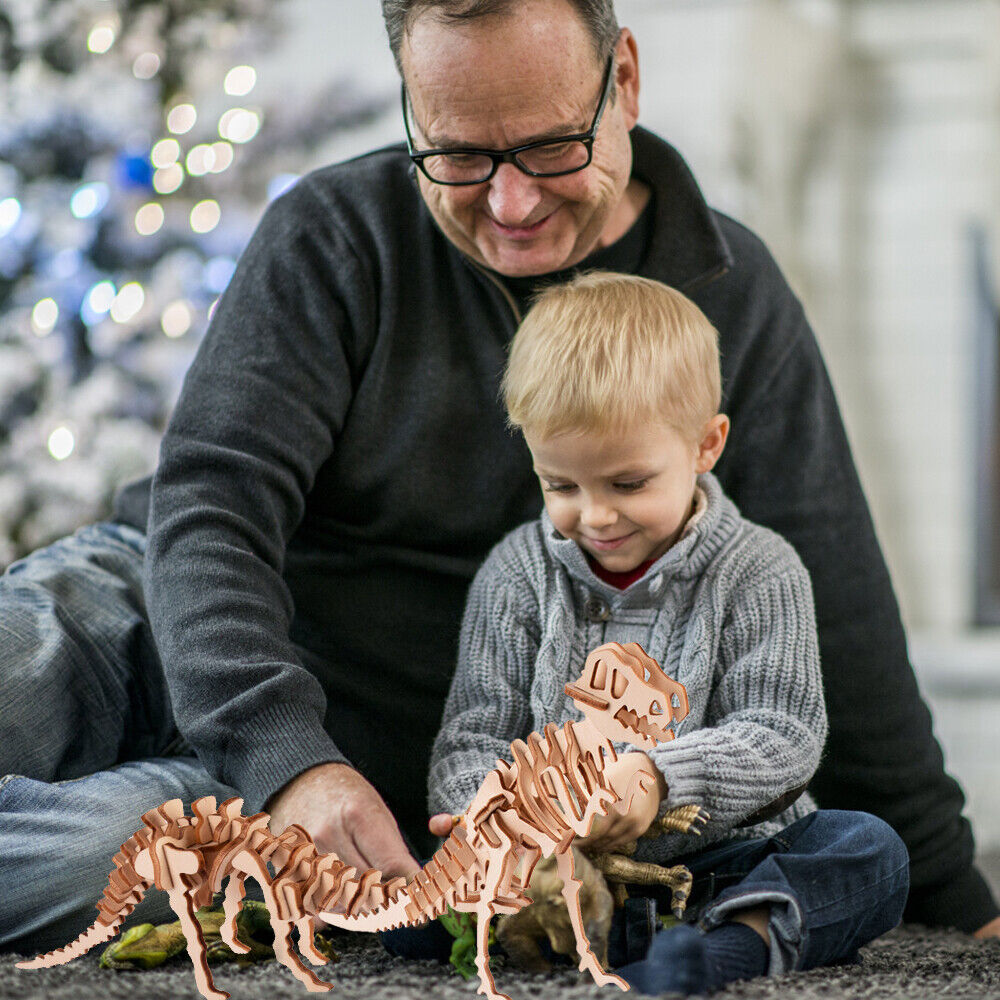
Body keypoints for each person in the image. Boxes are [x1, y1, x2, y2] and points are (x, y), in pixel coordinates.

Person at [0, 0, 996, 953]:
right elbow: (209, 512)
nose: (510, 205)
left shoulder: (732, 300)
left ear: (626, 83)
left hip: (333, 769)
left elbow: (837, 614)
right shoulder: (335, 235)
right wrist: (285, 756)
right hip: (146, 619)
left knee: (107, 865)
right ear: (409, 106)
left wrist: (956, 900)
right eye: (460, 156)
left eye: (553, 147)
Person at [382, 270, 909, 993]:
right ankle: (570, 929)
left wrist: (659, 780)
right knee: (408, 896)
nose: (595, 516)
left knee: (868, 853)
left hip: (727, 858)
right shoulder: (515, 572)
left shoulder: (760, 568)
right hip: (554, 866)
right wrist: (501, 819)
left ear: (705, 445)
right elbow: (472, 737)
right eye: (561, 486)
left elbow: (782, 731)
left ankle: (728, 949)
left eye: (627, 485)